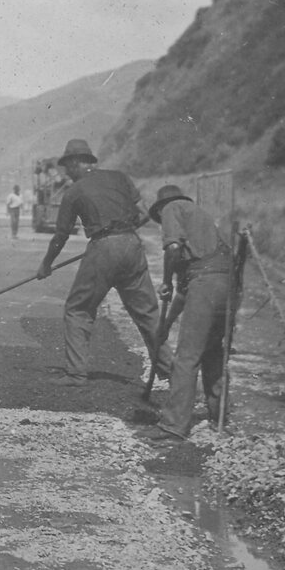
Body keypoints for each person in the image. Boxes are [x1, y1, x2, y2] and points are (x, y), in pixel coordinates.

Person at [34, 138, 172, 387]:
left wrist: (46, 264)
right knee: (147, 312)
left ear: (76, 163)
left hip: (103, 248)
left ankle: (76, 374)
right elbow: (143, 214)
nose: (66, 172)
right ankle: (171, 371)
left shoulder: (74, 191)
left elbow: (61, 236)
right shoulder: (120, 178)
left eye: (68, 167)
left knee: (78, 308)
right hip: (132, 244)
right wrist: (123, 233)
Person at [139, 185, 234, 442]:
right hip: (226, 284)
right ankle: (220, 418)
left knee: (186, 356)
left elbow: (171, 249)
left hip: (206, 283)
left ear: (160, 208)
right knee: (212, 352)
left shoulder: (172, 208)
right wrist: (166, 324)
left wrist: (166, 281)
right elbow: (185, 290)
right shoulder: (199, 218)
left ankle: (174, 425)